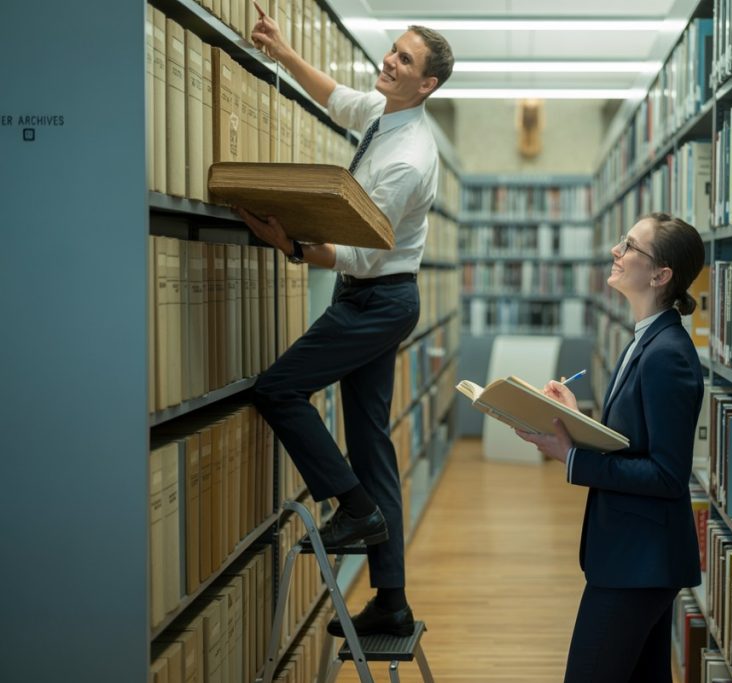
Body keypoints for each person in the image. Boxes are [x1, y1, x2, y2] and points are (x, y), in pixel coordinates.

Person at [237, 11, 454, 638]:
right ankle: (392, 601)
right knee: (371, 445)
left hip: (378, 300)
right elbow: (338, 99)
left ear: (427, 85)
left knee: (278, 389)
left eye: (405, 60)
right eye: (393, 50)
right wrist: (283, 52)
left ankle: (355, 507)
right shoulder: (387, 112)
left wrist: (290, 246)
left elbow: (362, 255)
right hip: (369, 298)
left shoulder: (409, 158)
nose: (389, 61)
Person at [515, 212, 706, 683]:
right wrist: (574, 419)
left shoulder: (667, 355)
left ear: (660, 275)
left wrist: (570, 458)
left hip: (639, 562)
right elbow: (633, 442)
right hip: (635, 556)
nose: (615, 252)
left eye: (630, 246)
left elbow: (666, 475)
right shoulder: (647, 339)